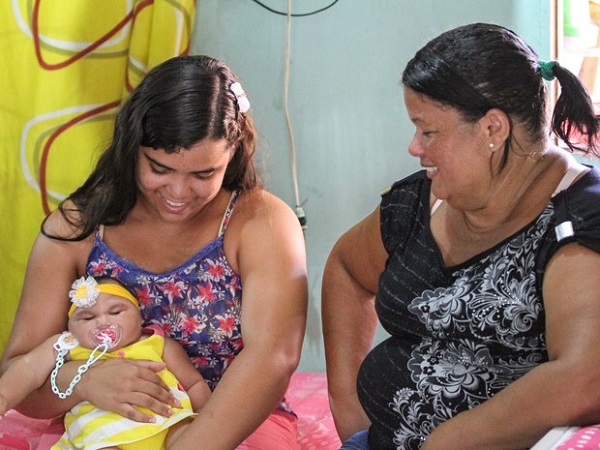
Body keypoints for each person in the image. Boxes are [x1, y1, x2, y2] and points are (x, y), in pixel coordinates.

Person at [0, 54, 308, 449]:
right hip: (105, 419)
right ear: (131, 148)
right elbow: (21, 374)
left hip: (234, 418)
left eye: (203, 174)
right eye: (159, 169)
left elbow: (273, 358)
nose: (179, 193)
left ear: (233, 153)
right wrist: (85, 381)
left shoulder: (261, 223)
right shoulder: (77, 229)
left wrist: (190, 443)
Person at [322, 22, 600, 450]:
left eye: (428, 131)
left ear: (492, 129)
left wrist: (447, 441)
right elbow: (345, 267)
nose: (415, 147)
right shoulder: (418, 202)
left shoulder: (578, 219)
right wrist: (349, 411)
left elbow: (586, 376)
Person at [0, 275, 210, 448]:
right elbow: (29, 368)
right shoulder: (69, 345)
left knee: (191, 438)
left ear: (139, 317)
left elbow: (193, 383)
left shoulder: (156, 343)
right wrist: (4, 396)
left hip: (168, 423)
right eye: (87, 318)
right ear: (70, 327)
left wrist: (205, 418)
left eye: (116, 311)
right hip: (102, 434)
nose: (103, 321)